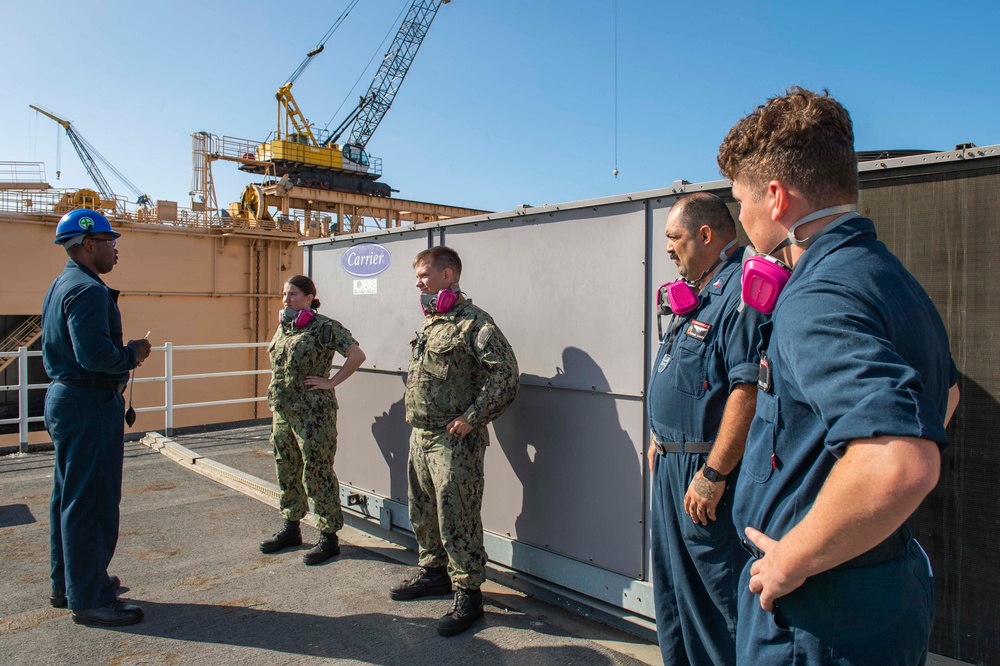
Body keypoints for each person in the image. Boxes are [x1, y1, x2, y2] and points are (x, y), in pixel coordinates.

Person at [717, 86, 961, 665]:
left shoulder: (818, 295)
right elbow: (945, 396)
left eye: (740, 202)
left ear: (775, 197)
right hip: (873, 590)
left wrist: (790, 559)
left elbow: (900, 461)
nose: (742, 220)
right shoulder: (887, 274)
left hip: (816, 613)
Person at [646, 192, 765, 665]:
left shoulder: (741, 292)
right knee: (676, 593)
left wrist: (712, 474)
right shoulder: (698, 291)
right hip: (675, 464)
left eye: (674, 238)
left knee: (718, 600)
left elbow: (747, 391)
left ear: (706, 235)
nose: (669, 249)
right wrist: (664, 439)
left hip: (707, 473)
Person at [390, 246, 519, 637]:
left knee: (457, 516)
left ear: (448, 276)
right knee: (423, 510)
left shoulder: (474, 323)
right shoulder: (432, 322)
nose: (418, 282)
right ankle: (433, 573)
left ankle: (469, 594)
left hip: (453, 440)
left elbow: (506, 375)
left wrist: (473, 418)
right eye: (417, 276)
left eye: (424, 275)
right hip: (422, 435)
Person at [42, 208, 152, 627]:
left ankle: (69, 583)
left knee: (69, 498)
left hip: (70, 400)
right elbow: (97, 357)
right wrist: (133, 354)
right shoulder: (87, 290)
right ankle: (90, 597)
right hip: (89, 405)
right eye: (110, 241)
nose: (114, 249)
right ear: (88, 245)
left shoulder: (62, 284)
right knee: (91, 502)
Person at [259, 275, 367, 565]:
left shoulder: (324, 327)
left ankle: (328, 537)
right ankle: (291, 527)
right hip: (282, 412)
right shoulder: (285, 328)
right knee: (287, 468)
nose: (286, 299)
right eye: (285, 294)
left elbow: (357, 355)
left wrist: (331, 382)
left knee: (317, 472)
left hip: (313, 414)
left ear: (309, 297)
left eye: (293, 294)